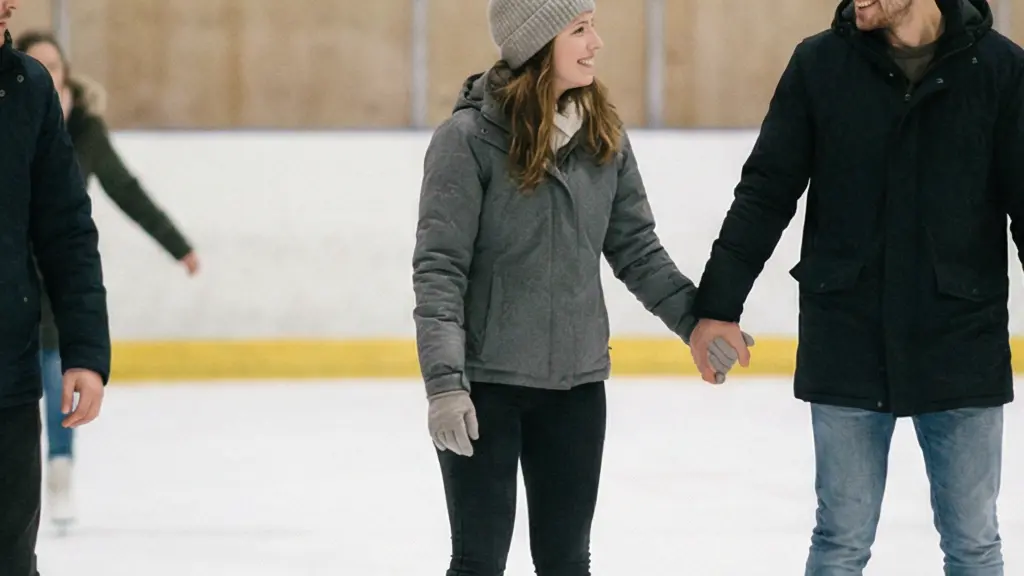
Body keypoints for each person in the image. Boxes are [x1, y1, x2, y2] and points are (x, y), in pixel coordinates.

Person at [412, 1, 750, 573]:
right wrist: (445, 384)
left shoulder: (603, 138)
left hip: (576, 388)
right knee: (479, 562)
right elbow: (440, 270)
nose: (597, 42)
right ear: (540, 44)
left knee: (567, 563)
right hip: (486, 387)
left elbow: (638, 251)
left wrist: (695, 321)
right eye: (580, 29)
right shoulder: (467, 140)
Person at [687, 0, 1018, 573]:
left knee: (974, 543)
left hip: (961, 337)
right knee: (840, 541)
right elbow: (765, 194)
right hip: (848, 334)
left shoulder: (999, 70)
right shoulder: (820, 65)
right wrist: (717, 306)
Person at [14, 30, 200, 531]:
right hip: (12, 277)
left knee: (58, 375)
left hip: (57, 278)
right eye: (38, 65)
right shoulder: (12, 109)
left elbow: (125, 190)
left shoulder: (86, 131)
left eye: (56, 65)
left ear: (67, 74)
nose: (48, 74)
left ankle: (59, 469)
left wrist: (176, 244)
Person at [0, 2, 112, 573]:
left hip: (7, 383)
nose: (10, 5)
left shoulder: (26, 89)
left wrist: (86, 351)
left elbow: (66, 228)